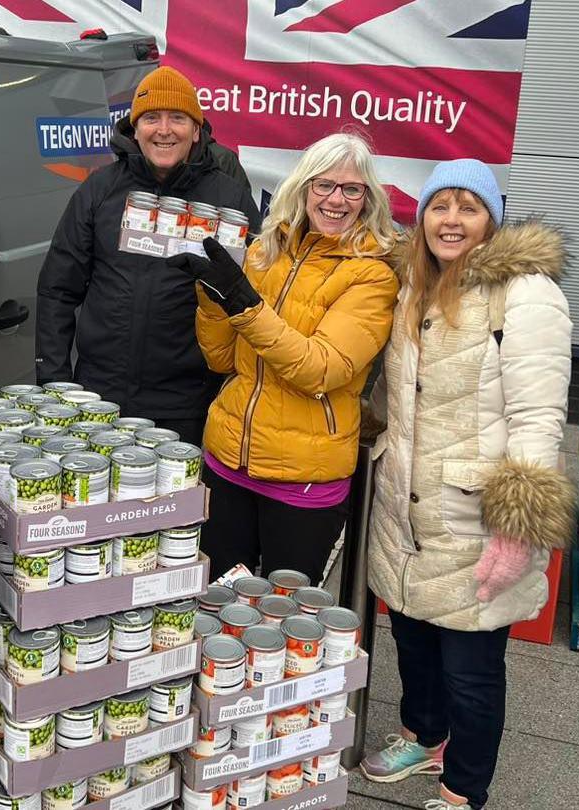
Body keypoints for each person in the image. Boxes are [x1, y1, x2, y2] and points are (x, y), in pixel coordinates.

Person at [360, 159, 573, 810]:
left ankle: (463, 790)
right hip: (406, 505)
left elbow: (539, 416)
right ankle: (424, 736)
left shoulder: (526, 293)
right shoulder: (410, 285)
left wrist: (517, 526)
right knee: (414, 638)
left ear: (491, 219)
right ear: (421, 216)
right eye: (439, 205)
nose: (451, 220)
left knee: (473, 669)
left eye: (468, 206)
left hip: (475, 515)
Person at [166, 133, 399, 584]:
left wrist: (243, 305)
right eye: (324, 185)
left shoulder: (372, 276)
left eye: (352, 189)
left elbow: (320, 369)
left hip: (302, 482)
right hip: (227, 461)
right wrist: (213, 298)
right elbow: (220, 360)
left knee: (285, 622)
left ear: (367, 199)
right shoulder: (263, 251)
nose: (336, 199)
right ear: (303, 188)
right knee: (217, 603)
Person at [34, 66, 259, 444]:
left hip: (184, 401)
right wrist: (56, 383)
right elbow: (58, 289)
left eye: (178, 118)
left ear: (197, 129)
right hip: (96, 396)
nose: (164, 129)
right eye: (151, 118)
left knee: (171, 504)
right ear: (134, 129)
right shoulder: (100, 189)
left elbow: (254, 298)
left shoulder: (229, 199)